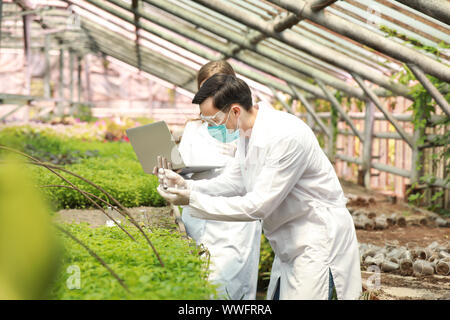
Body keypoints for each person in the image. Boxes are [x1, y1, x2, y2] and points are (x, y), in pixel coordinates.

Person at [155, 74, 362, 300]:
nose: (212, 127)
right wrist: (188, 186)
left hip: (317, 241)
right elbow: (234, 180)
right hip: (290, 243)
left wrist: (191, 200)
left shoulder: (286, 136)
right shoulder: (246, 133)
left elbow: (258, 206)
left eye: (214, 120)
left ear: (235, 111)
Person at [177, 61, 261, 300]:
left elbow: (241, 178)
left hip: (233, 223)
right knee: (199, 288)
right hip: (196, 214)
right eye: (204, 90)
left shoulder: (243, 128)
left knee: (227, 288)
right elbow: (182, 164)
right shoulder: (193, 128)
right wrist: (175, 172)